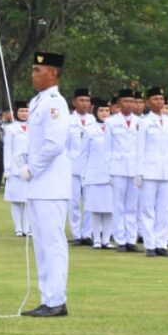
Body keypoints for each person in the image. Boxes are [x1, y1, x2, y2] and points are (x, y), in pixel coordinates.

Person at [20, 52, 72, 318]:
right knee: (41, 245)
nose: (33, 75)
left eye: (37, 70)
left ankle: (56, 300)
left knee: (52, 243)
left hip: (51, 185)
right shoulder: (37, 101)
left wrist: (32, 168)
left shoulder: (55, 103)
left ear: (52, 73)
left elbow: (54, 144)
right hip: (39, 186)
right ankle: (48, 297)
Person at [136, 87, 168, 257]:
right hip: (149, 170)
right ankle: (150, 244)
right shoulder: (144, 122)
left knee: (164, 209)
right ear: (148, 102)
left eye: (161, 99)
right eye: (155, 99)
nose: (159, 102)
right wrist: (139, 172)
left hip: (166, 171)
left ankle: (161, 244)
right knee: (147, 208)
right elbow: (140, 149)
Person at [105, 88, 141, 252]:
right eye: (126, 101)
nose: (129, 104)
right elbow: (107, 149)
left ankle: (131, 240)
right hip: (117, 167)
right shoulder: (111, 122)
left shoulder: (140, 122)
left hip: (134, 168)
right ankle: (120, 239)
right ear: (119, 103)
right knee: (118, 205)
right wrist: (108, 172)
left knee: (132, 206)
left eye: (132, 101)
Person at [82, 99, 114, 249]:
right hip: (94, 174)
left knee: (109, 209)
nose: (104, 113)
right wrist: (84, 175)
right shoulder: (89, 130)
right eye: (101, 110)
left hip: (111, 174)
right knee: (95, 209)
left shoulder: (114, 128)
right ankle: (96, 239)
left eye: (107, 110)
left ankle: (106, 239)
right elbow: (84, 154)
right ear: (95, 112)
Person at [66, 89, 94, 246]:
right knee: (74, 202)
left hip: (90, 167)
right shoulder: (68, 120)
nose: (84, 103)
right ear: (74, 102)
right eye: (81, 100)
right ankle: (76, 234)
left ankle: (87, 233)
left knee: (89, 202)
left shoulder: (94, 120)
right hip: (73, 166)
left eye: (87, 100)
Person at [3, 102, 31, 236]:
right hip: (15, 167)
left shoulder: (34, 127)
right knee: (16, 199)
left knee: (28, 200)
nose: (24, 113)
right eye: (21, 111)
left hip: (29, 167)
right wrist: (7, 169)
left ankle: (27, 228)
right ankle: (18, 228)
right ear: (16, 112)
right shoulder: (11, 128)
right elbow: (7, 149)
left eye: (26, 111)